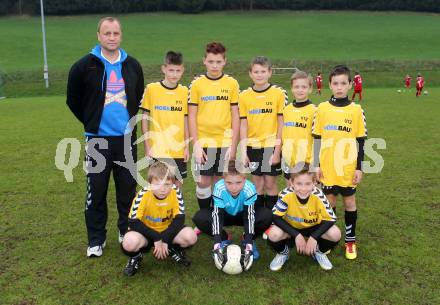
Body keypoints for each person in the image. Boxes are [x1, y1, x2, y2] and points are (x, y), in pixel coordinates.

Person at [66, 17, 144, 257]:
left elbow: (138, 94)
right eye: (107, 33)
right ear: (99, 36)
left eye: (116, 33)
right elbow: (73, 100)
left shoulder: (132, 65)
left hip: (126, 141)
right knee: (96, 190)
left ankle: (125, 230)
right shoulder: (83, 65)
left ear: (121, 36)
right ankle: (96, 240)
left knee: (127, 190)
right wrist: (92, 122)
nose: (112, 37)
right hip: (97, 140)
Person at [312, 65, 367, 260]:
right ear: (330, 85)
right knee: (330, 202)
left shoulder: (356, 110)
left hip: (348, 167)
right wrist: (316, 165)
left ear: (350, 85)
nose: (340, 87)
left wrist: (359, 167)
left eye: (344, 83)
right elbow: (316, 139)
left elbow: (361, 141)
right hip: (327, 166)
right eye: (336, 83)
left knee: (350, 202)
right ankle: (330, 238)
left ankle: (350, 241)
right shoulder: (322, 109)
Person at [188, 42, 240, 215]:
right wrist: (196, 145)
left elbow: (235, 116)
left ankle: (218, 217)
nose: (215, 65)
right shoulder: (197, 85)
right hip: (203, 142)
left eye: (218, 61)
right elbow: (192, 116)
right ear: (204, 61)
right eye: (211, 61)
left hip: (224, 142)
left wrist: (233, 146)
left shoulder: (232, 83)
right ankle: (205, 217)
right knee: (203, 182)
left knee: (220, 181)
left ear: (224, 61)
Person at [121, 161, 197, 276]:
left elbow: (179, 219)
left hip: (168, 232)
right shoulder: (143, 194)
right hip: (146, 234)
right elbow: (133, 222)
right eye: (158, 184)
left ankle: (173, 249)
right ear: (150, 183)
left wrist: (166, 239)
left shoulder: (175, 192)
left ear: (172, 183)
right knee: (129, 242)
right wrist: (156, 237)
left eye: (167, 184)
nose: (163, 189)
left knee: (190, 236)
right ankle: (135, 257)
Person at [192, 160, 272, 261]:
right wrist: (217, 242)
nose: (234, 187)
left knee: (267, 215)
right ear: (223, 179)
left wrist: (249, 241)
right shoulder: (219, 188)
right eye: (229, 183)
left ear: (244, 178)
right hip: (225, 215)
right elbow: (218, 215)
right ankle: (224, 238)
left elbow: (249, 216)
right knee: (199, 217)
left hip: (243, 215)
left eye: (238, 182)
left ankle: (247, 239)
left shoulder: (249, 188)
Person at [267, 163, 340, 271]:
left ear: (314, 182)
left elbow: (331, 219)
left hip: (313, 227)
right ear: (291, 183)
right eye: (299, 183)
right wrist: (296, 235)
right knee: (273, 234)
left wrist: (314, 237)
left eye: (307, 184)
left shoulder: (319, 195)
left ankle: (319, 252)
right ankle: (283, 253)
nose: (303, 189)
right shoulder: (286, 195)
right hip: (292, 228)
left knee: (335, 233)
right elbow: (275, 217)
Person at [239, 56, 286, 209]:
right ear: (250, 74)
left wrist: (277, 151)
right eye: (256, 72)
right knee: (257, 184)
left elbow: (281, 124)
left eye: (263, 71)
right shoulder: (244, 96)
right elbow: (244, 125)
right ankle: (259, 219)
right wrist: (244, 151)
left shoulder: (278, 93)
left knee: (271, 183)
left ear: (269, 73)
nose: (259, 75)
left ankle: (273, 220)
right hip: (253, 147)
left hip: (271, 146)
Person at [140, 51, 189, 187]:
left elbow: (186, 121)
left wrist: (186, 147)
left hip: (177, 148)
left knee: (177, 184)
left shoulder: (185, 92)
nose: (174, 74)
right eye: (171, 70)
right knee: (157, 184)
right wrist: (147, 146)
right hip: (157, 149)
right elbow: (144, 119)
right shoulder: (152, 89)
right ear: (164, 69)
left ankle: (176, 208)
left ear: (182, 70)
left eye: (177, 70)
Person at [281, 70, 316, 182]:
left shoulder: (315, 110)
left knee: (310, 193)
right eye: (296, 87)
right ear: (291, 88)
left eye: (304, 87)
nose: (300, 90)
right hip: (288, 160)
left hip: (307, 162)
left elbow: (319, 139)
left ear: (310, 89)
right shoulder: (286, 110)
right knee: (291, 191)